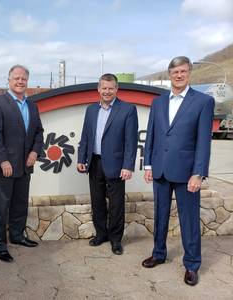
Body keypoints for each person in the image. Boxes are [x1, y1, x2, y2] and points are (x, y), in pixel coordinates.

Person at [142, 56, 215, 286]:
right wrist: (148, 164)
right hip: (161, 169)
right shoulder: (159, 102)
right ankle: (159, 254)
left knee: (189, 220)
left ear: (189, 72)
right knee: (160, 215)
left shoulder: (203, 101)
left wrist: (198, 173)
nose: (179, 75)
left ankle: (192, 264)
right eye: (175, 72)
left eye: (183, 71)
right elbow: (151, 134)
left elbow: (204, 141)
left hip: (187, 174)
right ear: (169, 74)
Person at [0, 64, 44, 262]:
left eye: (23, 79)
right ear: (9, 80)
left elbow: (39, 132)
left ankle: (18, 236)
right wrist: (2, 160)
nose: (20, 82)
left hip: (25, 165)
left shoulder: (32, 105)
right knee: (1, 206)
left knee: (20, 204)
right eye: (16, 78)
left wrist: (35, 151)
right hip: (6, 167)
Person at [77, 73, 138, 255]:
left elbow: (131, 141)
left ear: (116, 89)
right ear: (98, 89)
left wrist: (128, 166)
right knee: (97, 202)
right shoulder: (91, 110)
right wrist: (81, 158)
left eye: (111, 88)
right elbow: (86, 136)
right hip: (94, 162)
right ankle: (101, 234)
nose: (107, 91)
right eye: (104, 88)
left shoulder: (127, 110)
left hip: (117, 165)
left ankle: (116, 240)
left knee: (116, 204)